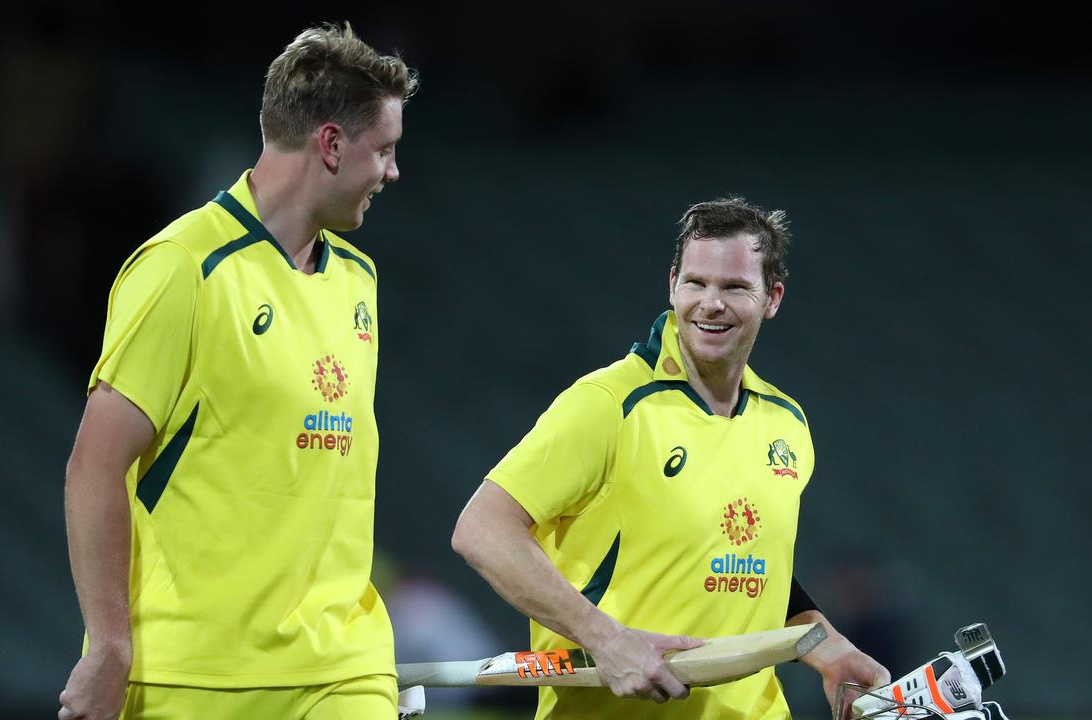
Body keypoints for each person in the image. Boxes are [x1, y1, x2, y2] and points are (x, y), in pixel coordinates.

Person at [58, 23, 416, 720]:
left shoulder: (359, 282)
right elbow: (92, 468)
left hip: (342, 672)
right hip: (195, 681)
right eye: (387, 150)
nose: (394, 173)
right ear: (333, 146)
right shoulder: (182, 269)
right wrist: (108, 645)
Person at [452, 198, 890, 719]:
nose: (711, 304)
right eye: (696, 283)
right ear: (672, 285)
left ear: (772, 298)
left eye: (734, 287)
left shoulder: (786, 424)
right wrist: (606, 639)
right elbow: (481, 529)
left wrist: (826, 645)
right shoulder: (610, 403)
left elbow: (752, 570)